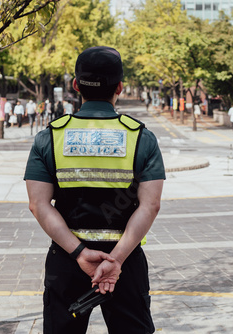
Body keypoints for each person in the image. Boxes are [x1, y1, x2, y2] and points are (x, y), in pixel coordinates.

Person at [24, 46, 165, 334]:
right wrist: (116, 260)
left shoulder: (49, 137)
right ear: (120, 87)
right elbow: (150, 206)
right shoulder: (142, 138)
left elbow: (39, 205)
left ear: (76, 86)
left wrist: (79, 253)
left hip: (66, 260)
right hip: (125, 263)